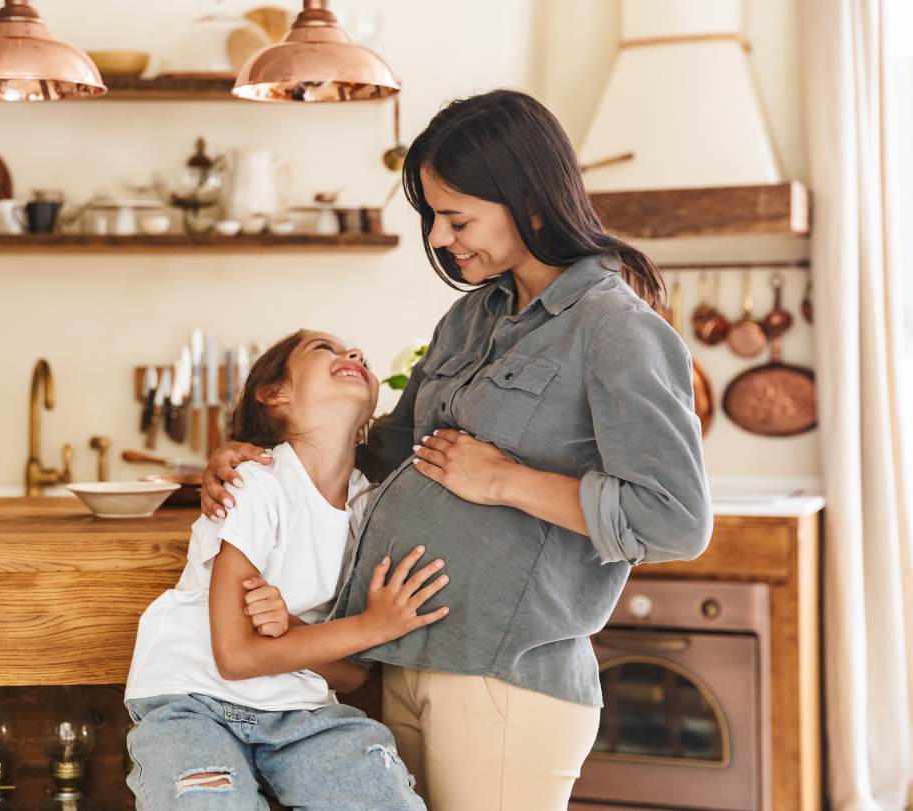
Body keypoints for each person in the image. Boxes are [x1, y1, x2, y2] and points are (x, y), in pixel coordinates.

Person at [200, 89, 713, 811]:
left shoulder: (613, 329)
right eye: (434, 218)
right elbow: (382, 454)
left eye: (457, 218)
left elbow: (675, 519)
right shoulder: (471, 318)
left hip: (503, 680)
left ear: (531, 204)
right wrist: (252, 453)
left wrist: (506, 480)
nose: (440, 238)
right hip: (403, 658)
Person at [124, 329, 450, 810]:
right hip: (195, 703)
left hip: (301, 713)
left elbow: (349, 677)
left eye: (356, 352)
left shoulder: (371, 512)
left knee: (382, 797)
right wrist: (372, 626)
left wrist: (294, 628)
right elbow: (235, 656)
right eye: (325, 349)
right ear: (275, 393)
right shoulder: (254, 484)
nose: (354, 353)